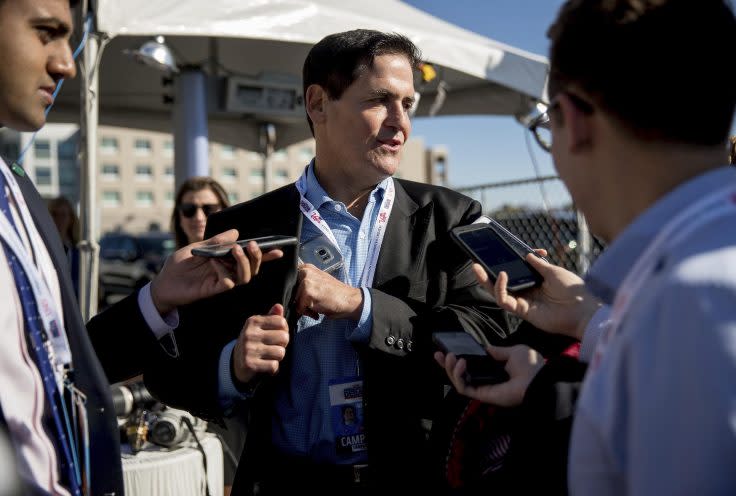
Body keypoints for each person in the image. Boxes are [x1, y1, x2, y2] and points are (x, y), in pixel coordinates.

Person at [142, 29, 515, 495]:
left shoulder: (450, 219)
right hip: (282, 483)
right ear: (318, 104)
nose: (400, 122)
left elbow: (492, 334)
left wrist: (363, 308)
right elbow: (166, 371)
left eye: (409, 103)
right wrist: (231, 368)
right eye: (381, 100)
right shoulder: (242, 228)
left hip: (411, 481)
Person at [437, 1, 736, 495]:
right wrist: (585, 318)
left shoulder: (688, 301)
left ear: (573, 120)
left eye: (546, 129)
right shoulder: (702, 269)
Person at [0, 0, 282, 493]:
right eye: (46, 32)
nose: (67, 64)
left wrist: (157, 299)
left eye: (69, 39)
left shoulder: (19, 192)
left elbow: (69, 366)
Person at [171, 176, 244, 495]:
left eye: (209, 208)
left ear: (226, 211)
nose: (199, 216)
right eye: (189, 209)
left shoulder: (247, 272)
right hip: (184, 412)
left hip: (239, 415)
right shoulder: (165, 276)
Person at [172, 176, 230, 248]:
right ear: (178, 217)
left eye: (209, 209)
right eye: (189, 209)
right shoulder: (172, 259)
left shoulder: (243, 256)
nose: (199, 218)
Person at [47, 195, 80, 296]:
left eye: (63, 215)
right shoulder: (43, 247)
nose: (59, 219)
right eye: (54, 214)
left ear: (71, 219)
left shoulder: (78, 250)